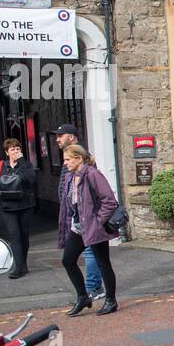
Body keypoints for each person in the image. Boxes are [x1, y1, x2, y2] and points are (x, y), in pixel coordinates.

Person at [58, 145, 119, 315]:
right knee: (68, 260)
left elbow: (109, 201)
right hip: (78, 227)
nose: (65, 163)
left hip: (94, 227)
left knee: (103, 263)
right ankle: (83, 297)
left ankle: (111, 300)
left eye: (68, 159)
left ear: (79, 158)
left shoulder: (93, 174)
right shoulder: (70, 177)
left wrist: (98, 221)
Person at [56, 124, 104, 300]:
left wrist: (98, 219)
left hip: (87, 217)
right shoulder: (69, 160)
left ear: (72, 137)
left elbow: (102, 197)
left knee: (92, 253)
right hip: (74, 216)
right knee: (70, 258)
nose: (57, 139)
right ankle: (87, 292)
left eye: (61, 135)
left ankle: (93, 288)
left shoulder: (87, 165)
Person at [0, 137, 37, 279]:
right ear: (7, 152)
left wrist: (22, 162)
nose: (15, 151)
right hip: (8, 207)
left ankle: (23, 263)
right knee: (14, 235)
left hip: (25, 205)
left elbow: (31, 179)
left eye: (18, 149)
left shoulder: (26, 165)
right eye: (12, 149)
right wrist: (1, 202)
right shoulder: (2, 166)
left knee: (24, 235)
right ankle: (18, 267)